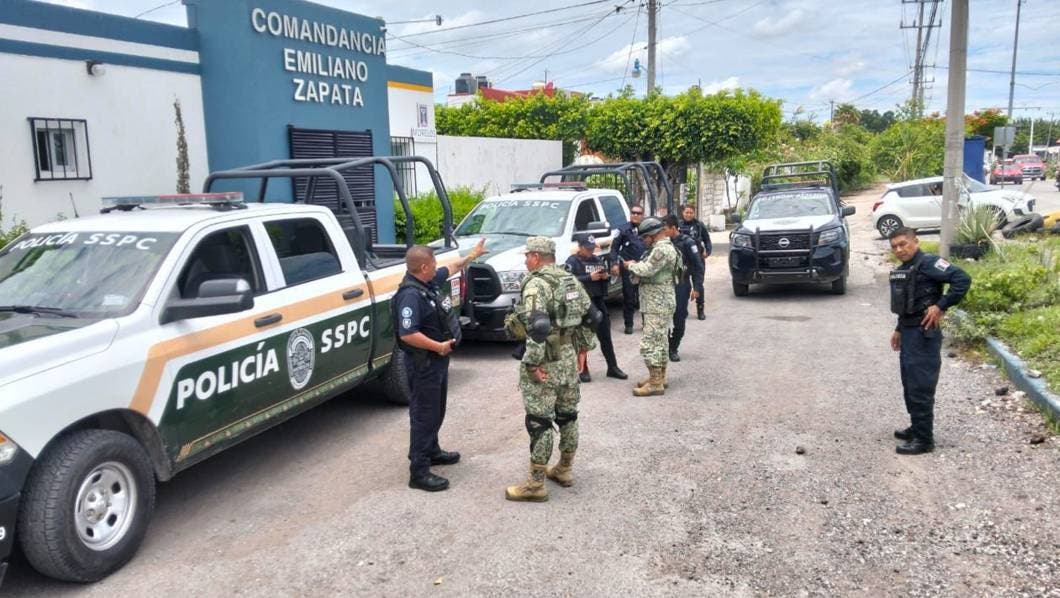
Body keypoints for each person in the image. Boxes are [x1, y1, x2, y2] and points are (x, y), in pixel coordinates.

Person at [394, 239, 488, 492]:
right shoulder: (410, 296)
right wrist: (438, 347)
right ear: (424, 267)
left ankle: (432, 450)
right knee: (424, 415)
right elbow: (407, 334)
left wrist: (473, 255)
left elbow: (452, 267)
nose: (437, 268)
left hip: (437, 361)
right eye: (433, 264)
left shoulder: (427, 281)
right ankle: (419, 471)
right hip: (424, 363)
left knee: (436, 409)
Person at [504, 237, 592, 502]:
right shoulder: (569, 279)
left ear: (536, 256)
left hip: (546, 361)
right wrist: (583, 349)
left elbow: (538, 327)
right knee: (568, 416)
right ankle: (564, 469)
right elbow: (592, 316)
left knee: (539, 421)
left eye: (527, 256)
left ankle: (536, 485)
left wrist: (533, 364)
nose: (525, 261)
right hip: (568, 358)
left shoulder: (536, 284)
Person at [888, 227, 971, 455]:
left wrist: (940, 306)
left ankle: (924, 440)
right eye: (894, 246)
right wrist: (898, 329)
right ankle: (917, 427)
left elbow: (962, 279)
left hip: (924, 334)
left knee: (920, 385)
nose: (899, 249)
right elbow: (908, 304)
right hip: (909, 332)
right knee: (909, 383)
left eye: (903, 244)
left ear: (915, 242)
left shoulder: (930, 263)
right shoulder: (905, 269)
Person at [625, 217, 681, 396]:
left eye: (645, 237)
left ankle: (656, 383)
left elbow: (647, 270)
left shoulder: (661, 249)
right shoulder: (664, 247)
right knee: (661, 340)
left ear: (653, 234)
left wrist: (631, 265)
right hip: (659, 302)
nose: (643, 241)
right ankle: (659, 377)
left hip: (657, 303)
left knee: (650, 342)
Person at [565, 234, 628, 381]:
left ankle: (612, 367)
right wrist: (588, 278)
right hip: (582, 303)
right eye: (588, 249)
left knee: (605, 335)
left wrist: (605, 277)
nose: (590, 251)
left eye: (592, 248)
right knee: (583, 337)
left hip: (598, 300)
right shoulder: (572, 261)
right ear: (580, 247)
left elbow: (606, 282)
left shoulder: (597, 260)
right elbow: (567, 281)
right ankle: (583, 370)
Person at [663, 215, 702, 362]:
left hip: (681, 285)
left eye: (665, 229)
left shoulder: (688, 243)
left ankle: (673, 347)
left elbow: (698, 267)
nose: (663, 232)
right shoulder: (663, 243)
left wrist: (697, 288)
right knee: (663, 318)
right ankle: (665, 346)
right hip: (665, 286)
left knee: (679, 319)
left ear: (673, 228)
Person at [610, 205, 647, 335]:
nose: (635, 215)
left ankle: (646, 323)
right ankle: (629, 324)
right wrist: (615, 264)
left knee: (645, 297)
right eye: (633, 213)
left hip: (645, 268)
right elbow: (614, 248)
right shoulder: (623, 230)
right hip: (629, 269)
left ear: (642, 215)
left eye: (638, 213)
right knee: (629, 297)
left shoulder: (647, 229)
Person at [679, 204, 711, 320]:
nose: (688, 215)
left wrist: (707, 252)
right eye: (686, 212)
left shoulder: (699, 225)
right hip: (683, 261)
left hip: (697, 260)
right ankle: (682, 310)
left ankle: (700, 310)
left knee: (699, 285)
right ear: (683, 213)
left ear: (694, 213)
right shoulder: (678, 225)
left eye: (691, 213)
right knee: (683, 286)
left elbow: (707, 240)